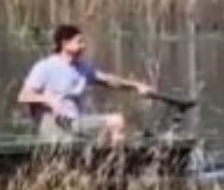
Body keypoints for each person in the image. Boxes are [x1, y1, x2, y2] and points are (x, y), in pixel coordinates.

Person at [17, 24, 156, 144]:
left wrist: (136, 86)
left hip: (75, 123)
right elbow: (23, 96)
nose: (84, 46)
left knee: (121, 132)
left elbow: (109, 80)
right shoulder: (45, 67)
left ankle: (110, 162)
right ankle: (115, 162)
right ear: (65, 44)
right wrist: (48, 100)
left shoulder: (83, 68)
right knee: (116, 121)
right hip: (54, 125)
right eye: (79, 42)